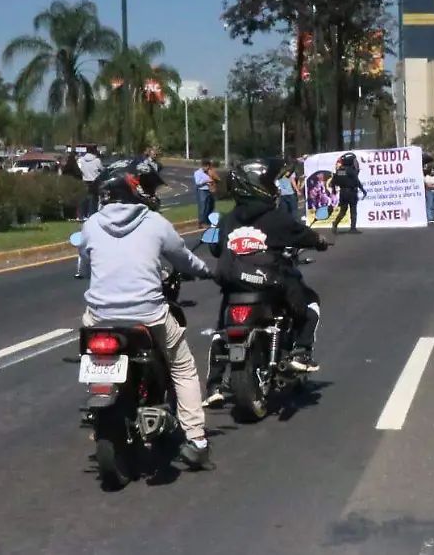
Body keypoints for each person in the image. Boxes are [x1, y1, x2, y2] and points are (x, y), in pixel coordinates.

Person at [75, 161, 214, 469]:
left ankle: (99, 406)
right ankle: (196, 439)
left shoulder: (91, 224)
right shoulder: (154, 222)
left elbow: (84, 263)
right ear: (135, 190)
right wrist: (205, 272)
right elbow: (182, 257)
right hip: (149, 315)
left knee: (90, 344)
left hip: (100, 317)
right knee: (182, 365)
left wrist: (85, 270)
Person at [204, 159, 329, 406]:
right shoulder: (275, 218)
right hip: (270, 281)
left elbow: (217, 248)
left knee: (221, 331)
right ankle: (301, 351)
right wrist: (319, 240)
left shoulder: (228, 220)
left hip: (233, 283)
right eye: (268, 182)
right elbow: (303, 235)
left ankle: (214, 385)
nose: (273, 187)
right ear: (256, 186)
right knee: (310, 304)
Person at [330, 153, 367, 234]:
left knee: (343, 210)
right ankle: (353, 229)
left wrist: (334, 190)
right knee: (353, 210)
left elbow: (333, 181)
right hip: (351, 192)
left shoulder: (340, 171)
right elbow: (357, 182)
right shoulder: (351, 170)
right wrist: (363, 190)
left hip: (343, 193)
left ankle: (335, 223)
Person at [194, 159, 216, 227]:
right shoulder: (198, 173)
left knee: (209, 206)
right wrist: (206, 182)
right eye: (208, 167)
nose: (208, 168)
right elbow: (198, 183)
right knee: (202, 207)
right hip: (202, 191)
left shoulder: (209, 172)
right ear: (205, 166)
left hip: (209, 190)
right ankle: (201, 222)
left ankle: (207, 221)